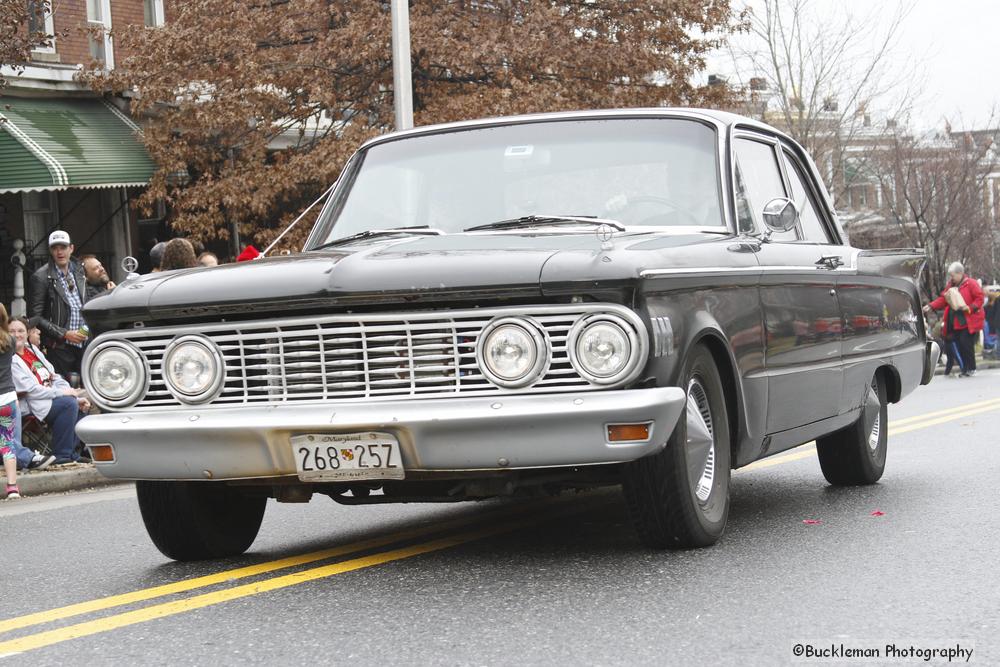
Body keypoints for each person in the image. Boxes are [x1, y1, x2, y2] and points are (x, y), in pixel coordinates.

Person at [9, 318, 91, 465]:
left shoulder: (33, 351)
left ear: (27, 333)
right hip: (32, 403)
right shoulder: (9, 358)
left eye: (21, 331)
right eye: (12, 331)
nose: (17, 335)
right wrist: (63, 394)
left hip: (51, 396)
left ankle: (73, 452)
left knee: (86, 400)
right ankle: (62, 455)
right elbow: (31, 390)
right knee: (68, 404)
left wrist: (69, 390)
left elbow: (54, 376)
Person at [27, 230, 89, 378]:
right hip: (59, 347)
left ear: (71, 248)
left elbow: (86, 301)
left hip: (85, 342)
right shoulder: (40, 277)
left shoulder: (79, 270)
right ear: (50, 251)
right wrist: (65, 334)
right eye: (55, 248)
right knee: (66, 390)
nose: (59, 252)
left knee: (89, 387)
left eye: (63, 247)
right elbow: (35, 317)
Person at [924, 262, 985, 377]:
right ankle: (965, 369)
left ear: (960, 273)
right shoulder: (951, 286)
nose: (951, 278)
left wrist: (970, 307)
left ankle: (971, 368)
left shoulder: (971, 283)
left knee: (966, 344)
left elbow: (979, 299)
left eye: (952, 275)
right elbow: (944, 299)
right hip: (955, 322)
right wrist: (931, 306)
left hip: (968, 320)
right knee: (960, 345)